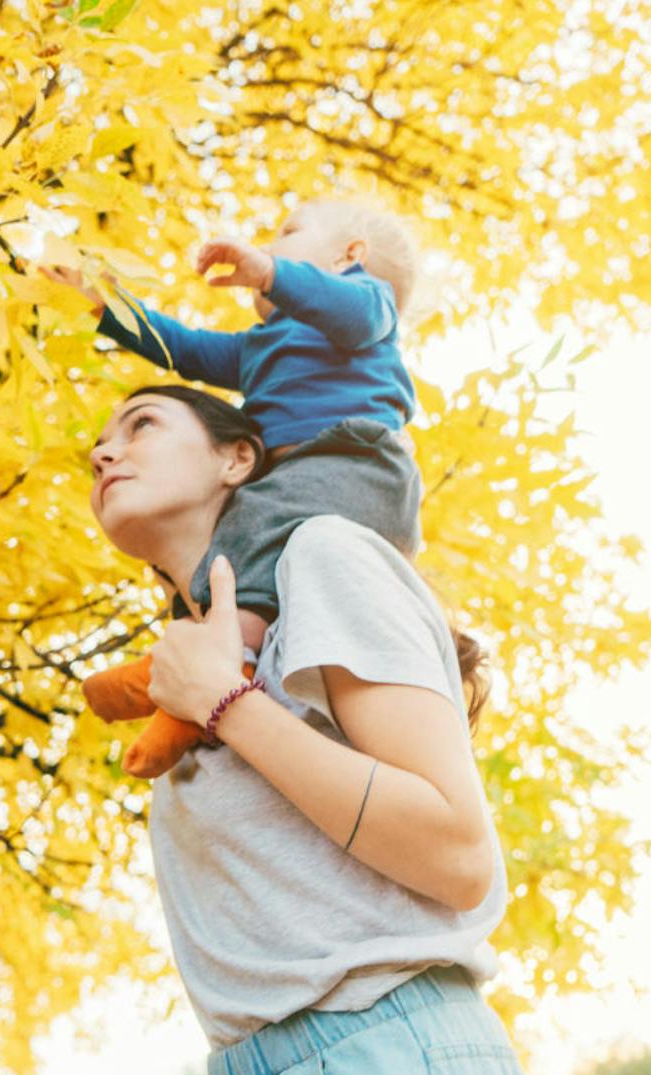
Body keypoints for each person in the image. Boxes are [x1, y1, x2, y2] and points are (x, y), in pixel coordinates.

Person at [86, 383, 525, 1075]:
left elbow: (460, 857)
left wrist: (227, 704)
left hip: (381, 1044)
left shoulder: (320, 554)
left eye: (141, 424)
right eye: (98, 450)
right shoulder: (193, 664)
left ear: (236, 459)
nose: (104, 452)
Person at [40, 195, 423, 779]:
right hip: (302, 478)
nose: (269, 245)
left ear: (350, 256)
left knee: (253, 521)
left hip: (358, 461)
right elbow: (185, 349)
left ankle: (219, 670)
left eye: (288, 232)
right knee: (226, 547)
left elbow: (349, 312)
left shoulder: (368, 308)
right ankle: (190, 662)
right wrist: (105, 306)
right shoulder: (258, 348)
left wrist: (271, 272)